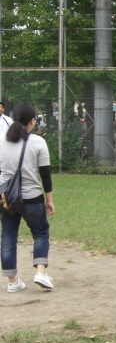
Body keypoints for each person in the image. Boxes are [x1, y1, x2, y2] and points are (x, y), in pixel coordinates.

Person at [0, 104, 55, 292]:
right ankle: (40, 272)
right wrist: (49, 200)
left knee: (8, 236)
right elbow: (45, 174)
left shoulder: (1, 141)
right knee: (40, 233)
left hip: (6, 197)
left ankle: (12, 281)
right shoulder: (38, 142)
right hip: (32, 197)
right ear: (32, 121)